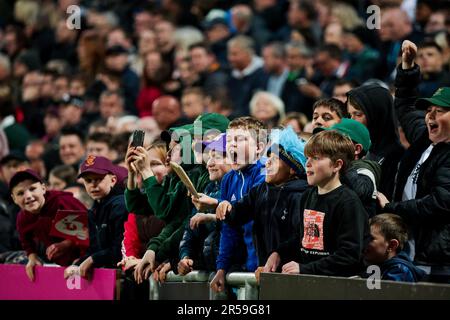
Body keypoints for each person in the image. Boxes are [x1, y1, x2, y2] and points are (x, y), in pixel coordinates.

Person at [377, 40, 450, 283]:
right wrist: (407, 69)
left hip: (438, 259)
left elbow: (439, 203)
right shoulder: (423, 139)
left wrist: (392, 209)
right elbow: (407, 107)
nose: (430, 114)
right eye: (429, 109)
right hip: (411, 248)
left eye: (439, 110)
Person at [264, 130, 369, 277]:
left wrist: (306, 269)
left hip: (339, 286)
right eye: (307, 157)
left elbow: (349, 255)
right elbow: (302, 238)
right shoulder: (308, 195)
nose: (307, 163)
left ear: (337, 165)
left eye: (316, 158)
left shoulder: (348, 202)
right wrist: (278, 253)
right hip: (313, 282)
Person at [216, 126, 309, 273]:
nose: (267, 163)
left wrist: (280, 253)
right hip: (265, 272)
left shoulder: (302, 196)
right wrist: (226, 207)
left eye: (275, 159)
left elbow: (302, 237)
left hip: (292, 275)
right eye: (268, 158)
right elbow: (236, 216)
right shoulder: (261, 191)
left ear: (292, 169)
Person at [210, 117, 267, 293]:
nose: (231, 145)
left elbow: (260, 221)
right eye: (229, 140)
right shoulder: (229, 179)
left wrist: (216, 204)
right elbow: (229, 229)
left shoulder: (265, 173)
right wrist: (222, 268)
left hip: (265, 266)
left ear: (259, 147)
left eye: (240, 139)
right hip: (243, 267)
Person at [12, 169, 87, 281]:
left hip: (89, 260)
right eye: (20, 193)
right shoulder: (23, 217)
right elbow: (26, 241)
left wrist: (67, 245)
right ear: (14, 199)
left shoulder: (62, 202)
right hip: (62, 266)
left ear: (43, 188)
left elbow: (89, 230)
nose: (28, 196)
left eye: (32, 189)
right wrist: (32, 257)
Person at [64, 156, 129, 279]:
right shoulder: (95, 208)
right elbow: (95, 247)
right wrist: (78, 264)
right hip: (108, 273)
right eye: (88, 181)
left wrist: (92, 260)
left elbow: (120, 249)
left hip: (126, 274)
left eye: (98, 179)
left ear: (113, 180)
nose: (93, 185)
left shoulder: (120, 205)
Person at [178, 133, 231, 275]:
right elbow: (190, 229)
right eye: (209, 156)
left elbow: (238, 225)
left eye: (218, 156)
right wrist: (186, 257)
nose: (209, 163)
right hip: (215, 272)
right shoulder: (210, 188)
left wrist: (212, 215)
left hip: (235, 271)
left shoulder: (244, 190)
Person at [347, 83, 405, 198]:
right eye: (350, 115)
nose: (351, 122)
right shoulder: (358, 148)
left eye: (358, 114)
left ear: (377, 115)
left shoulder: (397, 156)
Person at [364, 213, 425, 282]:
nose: (364, 242)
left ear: (392, 245)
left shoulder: (399, 271)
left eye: (371, 238)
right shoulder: (375, 265)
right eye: (364, 237)